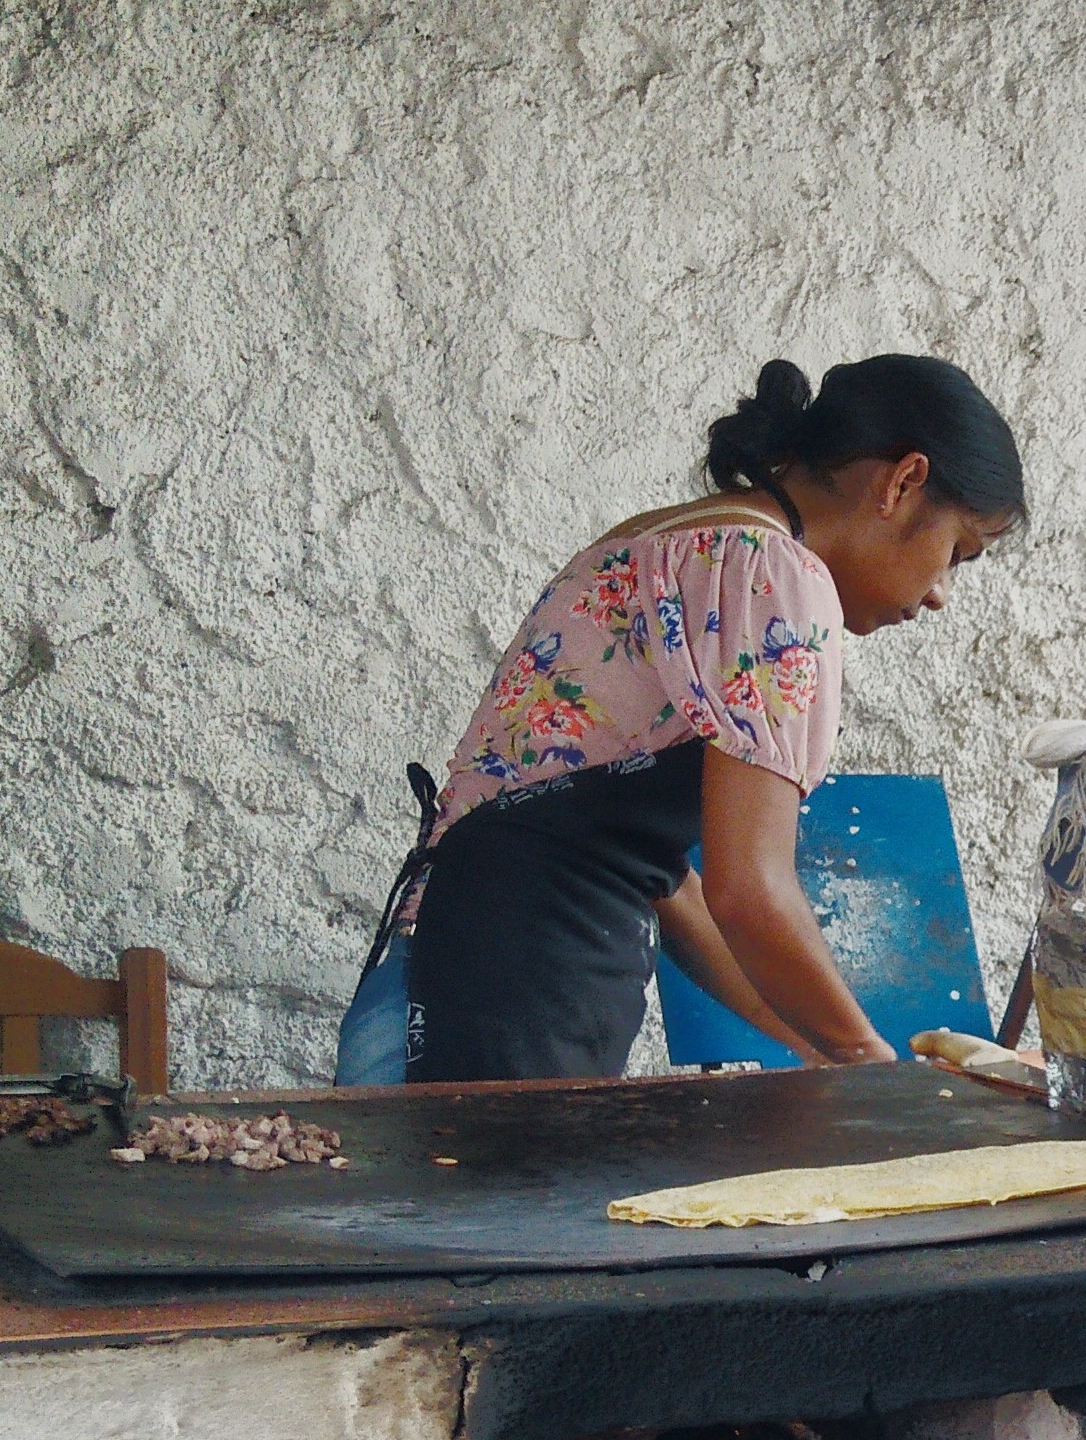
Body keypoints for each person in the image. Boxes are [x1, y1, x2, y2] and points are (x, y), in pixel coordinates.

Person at [392, 354, 1024, 1082]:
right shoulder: (776, 572)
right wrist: (868, 1065)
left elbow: (665, 875)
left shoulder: (660, 537)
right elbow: (748, 888)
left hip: (460, 951)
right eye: (957, 552)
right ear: (902, 483)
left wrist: (817, 1044)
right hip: (520, 979)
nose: (941, 592)